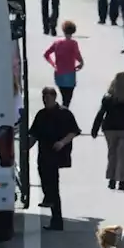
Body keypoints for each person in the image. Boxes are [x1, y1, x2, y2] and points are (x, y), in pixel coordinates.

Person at [27, 86, 80, 230]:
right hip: (43, 152)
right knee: (44, 178)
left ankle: (56, 219)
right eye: (44, 97)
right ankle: (49, 201)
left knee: (53, 185)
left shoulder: (64, 113)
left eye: (48, 97)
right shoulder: (41, 114)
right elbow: (34, 134)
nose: (45, 100)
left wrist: (62, 143)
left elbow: (74, 131)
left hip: (57, 153)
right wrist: (24, 149)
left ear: (54, 97)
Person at [90, 71, 124, 191]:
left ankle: (111, 179)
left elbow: (101, 113)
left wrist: (95, 128)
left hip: (110, 129)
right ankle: (122, 181)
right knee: (123, 155)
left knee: (112, 153)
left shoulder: (108, 97)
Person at [43, 21, 83, 107]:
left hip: (59, 73)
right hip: (70, 74)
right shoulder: (73, 43)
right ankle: (63, 114)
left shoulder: (57, 43)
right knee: (67, 99)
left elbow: (46, 54)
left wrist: (53, 64)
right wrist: (81, 63)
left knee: (64, 95)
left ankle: (61, 112)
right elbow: (77, 55)